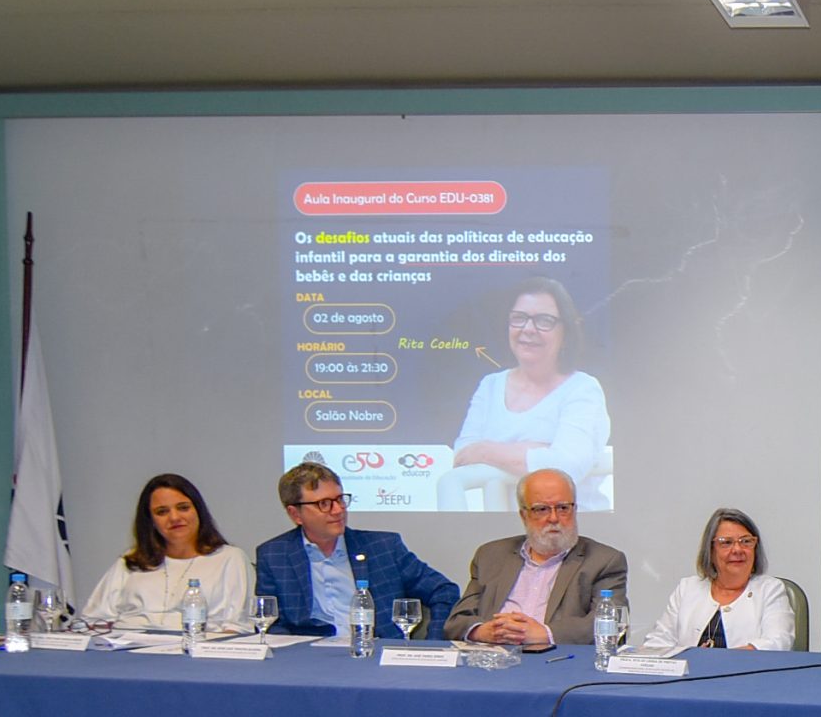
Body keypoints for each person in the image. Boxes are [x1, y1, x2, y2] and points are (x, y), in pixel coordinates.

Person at [439, 278, 613, 512]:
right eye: (519, 318)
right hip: (502, 531)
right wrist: (541, 451)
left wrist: (487, 451)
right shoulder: (490, 385)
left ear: (566, 330)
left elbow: (567, 467)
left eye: (544, 321)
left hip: (577, 533)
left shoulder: (583, 389)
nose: (528, 329)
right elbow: (462, 455)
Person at [252, 461, 458, 639]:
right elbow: (270, 622)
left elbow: (444, 591)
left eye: (340, 499)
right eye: (324, 504)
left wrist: (434, 642)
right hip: (309, 661)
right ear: (295, 513)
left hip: (376, 654)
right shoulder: (273, 555)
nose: (338, 510)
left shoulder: (383, 547)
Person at [444, 469, 630, 648]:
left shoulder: (604, 561)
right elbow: (457, 621)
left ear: (574, 509)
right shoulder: (491, 555)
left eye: (563, 508)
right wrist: (484, 631)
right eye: (541, 509)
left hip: (556, 663)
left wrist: (544, 634)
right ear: (524, 515)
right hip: (492, 659)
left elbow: (611, 623)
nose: (554, 518)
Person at [81, 474, 254, 629]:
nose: (174, 518)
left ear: (199, 511)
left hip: (198, 653)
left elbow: (237, 626)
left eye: (183, 508)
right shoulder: (132, 561)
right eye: (162, 512)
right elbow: (94, 620)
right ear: (150, 521)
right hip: (129, 655)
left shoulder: (229, 558)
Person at [635, 507, 795, 653]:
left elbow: (778, 642)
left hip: (747, 679)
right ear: (710, 551)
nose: (738, 550)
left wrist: (719, 660)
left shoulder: (770, 589)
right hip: (690, 679)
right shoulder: (687, 588)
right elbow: (656, 643)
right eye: (726, 543)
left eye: (746, 541)